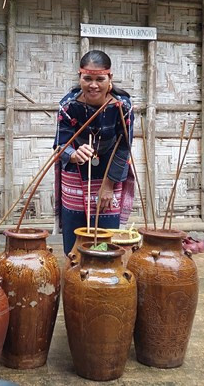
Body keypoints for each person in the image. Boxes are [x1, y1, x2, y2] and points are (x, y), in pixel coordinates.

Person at [54, 50, 134, 255]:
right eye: (87, 78)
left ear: (110, 79)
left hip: (110, 169)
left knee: (105, 234)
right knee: (75, 231)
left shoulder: (121, 105)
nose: (93, 85)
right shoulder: (68, 105)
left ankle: (103, 271)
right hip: (75, 170)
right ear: (79, 77)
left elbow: (124, 146)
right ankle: (75, 271)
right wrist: (72, 153)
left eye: (100, 79)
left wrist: (108, 185)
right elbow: (60, 144)